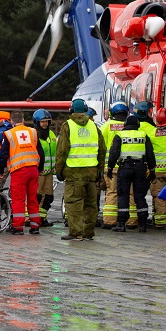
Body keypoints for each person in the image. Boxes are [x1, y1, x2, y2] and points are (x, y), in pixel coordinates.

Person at [54, 99, 106, 241]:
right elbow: (102, 149)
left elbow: (62, 150)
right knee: (91, 204)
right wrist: (100, 170)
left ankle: (75, 232)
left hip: (73, 173)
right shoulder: (94, 126)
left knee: (73, 203)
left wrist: (59, 170)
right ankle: (88, 232)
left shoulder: (67, 126)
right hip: (91, 172)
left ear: (71, 111)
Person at [106, 114, 156, 233]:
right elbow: (150, 154)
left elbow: (114, 153)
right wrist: (152, 170)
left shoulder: (120, 135)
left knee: (123, 194)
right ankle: (143, 224)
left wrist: (110, 168)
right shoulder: (143, 135)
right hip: (140, 168)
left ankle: (121, 224)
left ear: (125, 124)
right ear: (138, 124)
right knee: (139, 196)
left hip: (125, 167)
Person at [0, 118, 45, 235]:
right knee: (33, 198)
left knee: (18, 199)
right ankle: (35, 226)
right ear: (24, 120)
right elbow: (41, 152)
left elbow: (4, 154)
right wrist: (40, 169)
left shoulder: (9, 134)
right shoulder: (33, 132)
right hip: (33, 169)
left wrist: (1, 170)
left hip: (19, 171)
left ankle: (18, 227)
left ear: (12, 122)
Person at [100, 101, 137, 228]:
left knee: (112, 192)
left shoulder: (105, 127)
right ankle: (132, 221)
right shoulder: (131, 127)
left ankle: (110, 221)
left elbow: (99, 146)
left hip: (110, 167)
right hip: (128, 166)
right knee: (131, 193)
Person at [143, 108, 166, 229]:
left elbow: (142, 127)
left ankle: (161, 222)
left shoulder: (152, 132)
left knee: (159, 196)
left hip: (157, 171)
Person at [33, 109, 58, 227]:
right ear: (37, 123)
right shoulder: (34, 136)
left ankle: (42, 217)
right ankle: (31, 218)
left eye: (47, 122)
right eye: (42, 122)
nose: (45, 124)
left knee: (48, 196)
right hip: (39, 172)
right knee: (37, 196)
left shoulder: (52, 135)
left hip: (49, 172)